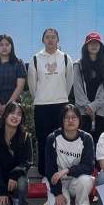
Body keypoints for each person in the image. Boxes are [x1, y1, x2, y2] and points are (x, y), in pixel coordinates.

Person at [28, 28, 73, 178]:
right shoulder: (36, 59)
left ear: (58, 39)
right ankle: (45, 172)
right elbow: (32, 84)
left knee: (61, 139)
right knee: (43, 139)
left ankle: (61, 170)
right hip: (42, 105)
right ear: (43, 40)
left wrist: (61, 95)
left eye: (53, 37)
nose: (50, 40)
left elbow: (69, 82)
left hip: (61, 103)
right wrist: (41, 97)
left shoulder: (65, 58)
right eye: (47, 37)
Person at [45, 104, 95, 205]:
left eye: (74, 117)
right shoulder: (53, 138)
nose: (70, 120)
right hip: (57, 181)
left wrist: (67, 170)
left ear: (79, 119)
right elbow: (49, 169)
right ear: (62, 120)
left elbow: (89, 167)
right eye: (67, 117)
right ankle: (61, 200)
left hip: (75, 180)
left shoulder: (86, 138)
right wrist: (58, 193)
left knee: (85, 179)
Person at [0, 102, 32, 205]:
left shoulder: (25, 137)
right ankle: (9, 202)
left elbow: (27, 161)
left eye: (19, 114)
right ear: (5, 115)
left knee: (22, 181)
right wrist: (2, 191)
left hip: (15, 179)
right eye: (12, 113)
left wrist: (14, 174)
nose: (15, 116)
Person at [73, 32, 104, 144]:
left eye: (96, 43)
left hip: (100, 111)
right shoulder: (78, 65)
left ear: (101, 46)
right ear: (86, 46)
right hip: (83, 111)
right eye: (91, 43)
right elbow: (77, 87)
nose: (94, 46)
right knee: (83, 142)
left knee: (100, 142)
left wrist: (94, 106)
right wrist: (88, 107)